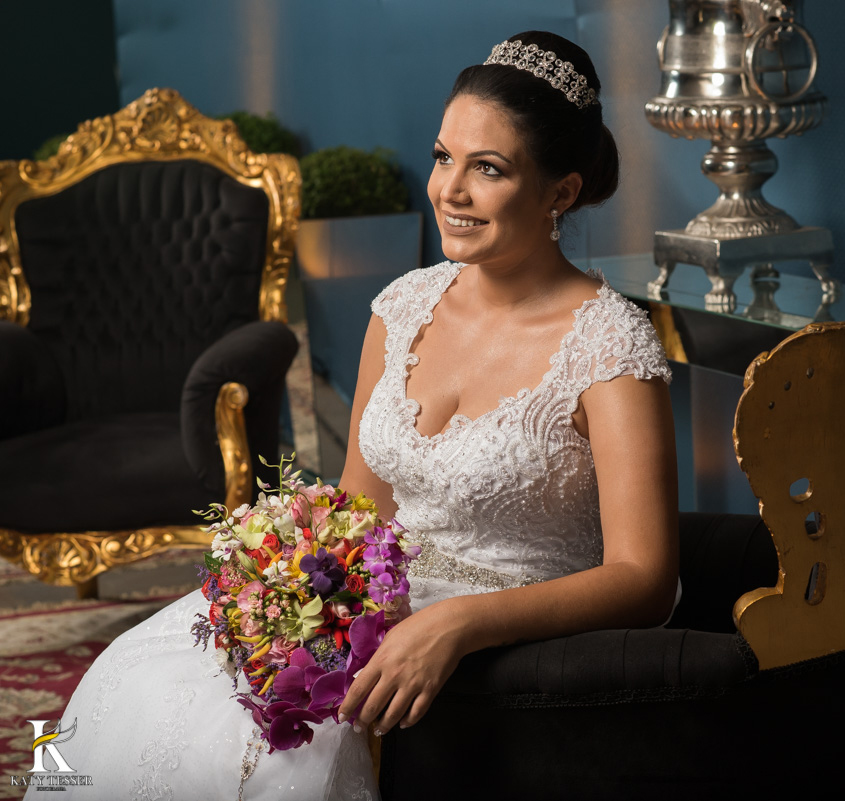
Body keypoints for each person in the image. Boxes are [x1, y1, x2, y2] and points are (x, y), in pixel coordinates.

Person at [40, 30, 677, 801]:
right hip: (374, 597)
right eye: (444, 157)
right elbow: (358, 511)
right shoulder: (404, 307)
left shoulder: (610, 342)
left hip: (502, 614)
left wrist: (459, 624)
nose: (450, 190)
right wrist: (285, 589)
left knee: (272, 750)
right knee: (136, 678)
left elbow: (645, 577)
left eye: (490, 168)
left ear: (562, 192)